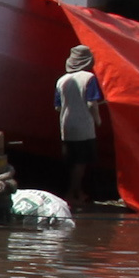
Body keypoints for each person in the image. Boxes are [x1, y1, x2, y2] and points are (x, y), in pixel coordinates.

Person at [54, 43, 108, 207]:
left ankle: (78, 192)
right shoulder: (88, 78)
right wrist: (98, 119)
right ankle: (72, 193)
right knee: (81, 162)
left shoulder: (61, 80)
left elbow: (58, 107)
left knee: (72, 161)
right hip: (83, 126)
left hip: (66, 126)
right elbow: (91, 103)